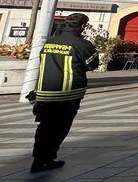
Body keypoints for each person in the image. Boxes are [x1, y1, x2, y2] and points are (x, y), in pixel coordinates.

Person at [29, 13, 99, 173]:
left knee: (44, 126)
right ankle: (48, 158)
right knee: (60, 127)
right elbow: (92, 64)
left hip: (45, 90)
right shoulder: (82, 44)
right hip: (68, 93)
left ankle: (38, 159)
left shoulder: (50, 42)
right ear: (83, 26)